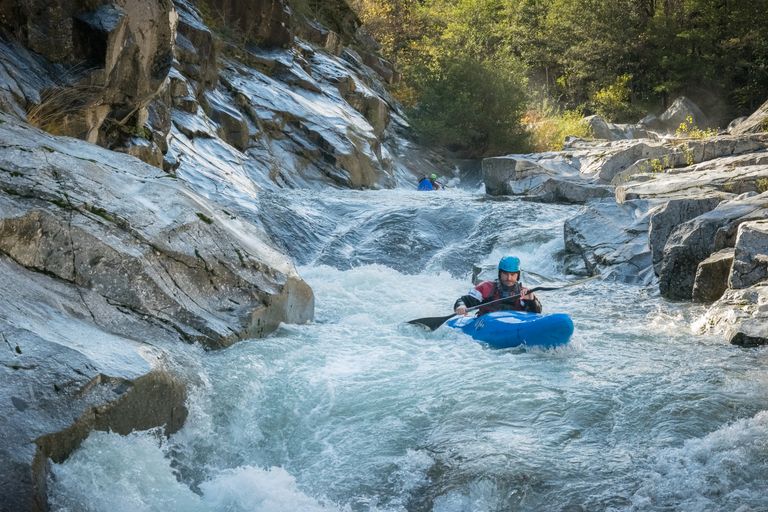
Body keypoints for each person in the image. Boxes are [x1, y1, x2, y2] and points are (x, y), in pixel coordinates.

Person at [454, 256, 542, 316]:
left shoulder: (524, 293)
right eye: (505, 274)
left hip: (514, 325)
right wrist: (461, 306)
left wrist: (532, 300)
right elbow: (463, 300)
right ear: (500, 273)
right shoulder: (486, 287)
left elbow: (536, 314)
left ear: (517, 275)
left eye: (512, 274)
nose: (509, 278)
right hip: (487, 325)